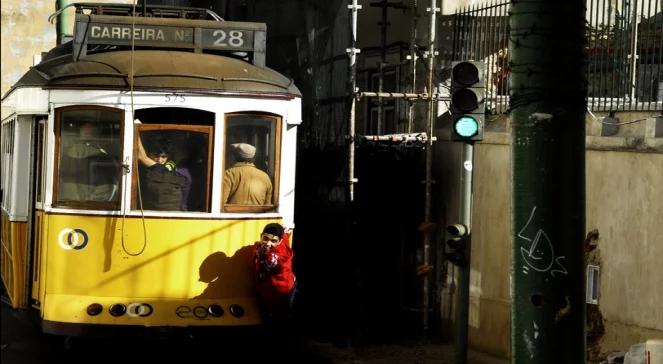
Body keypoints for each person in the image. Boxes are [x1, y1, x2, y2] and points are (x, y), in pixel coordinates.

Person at [59, 121, 119, 202]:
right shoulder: (106, 160)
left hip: (63, 207)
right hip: (88, 210)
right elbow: (105, 194)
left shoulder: (60, 157)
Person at [252, 223, 296, 323]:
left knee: (280, 320)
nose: (268, 243)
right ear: (261, 236)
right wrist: (286, 231)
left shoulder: (278, 256)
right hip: (268, 289)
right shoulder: (281, 240)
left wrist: (263, 256)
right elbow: (285, 235)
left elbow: (274, 264)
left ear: (279, 241)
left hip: (282, 292)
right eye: (265, 238)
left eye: (273, 241)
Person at [136, 137, 187, 210]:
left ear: (168, 157)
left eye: (163, 156)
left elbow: (141, 157)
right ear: (149, 154)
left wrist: (134, 129)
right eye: (156, 155)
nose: (159, 160)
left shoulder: (168, 168)